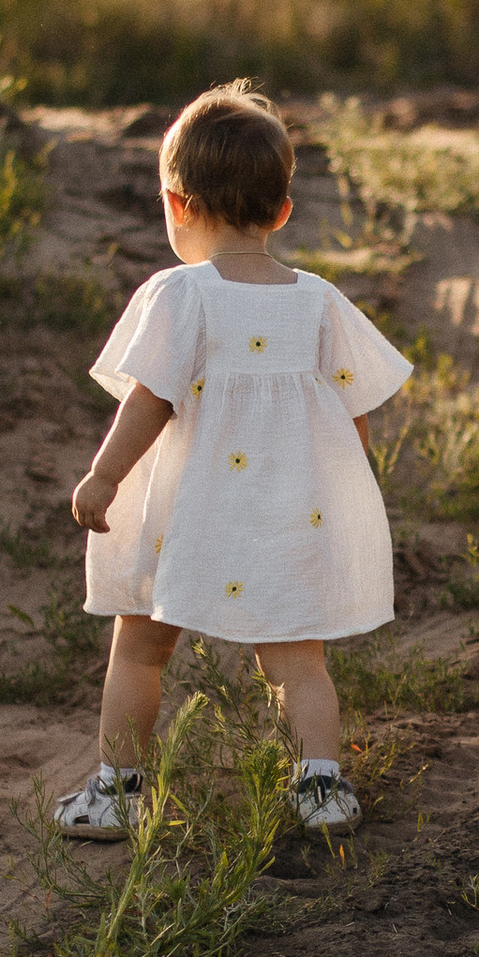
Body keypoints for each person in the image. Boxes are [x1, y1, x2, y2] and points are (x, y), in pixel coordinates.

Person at [57, 79, 412, 837]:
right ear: (282, 211)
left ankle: (119, 792)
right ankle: (320, 787)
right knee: (296, 659)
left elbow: (148, 399)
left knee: (140, 647)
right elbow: (356, 410)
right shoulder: (319, 299)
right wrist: (351, 497)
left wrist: (105, 474)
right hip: (286, 510)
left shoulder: (179, 294)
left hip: (189, 512)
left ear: (176, 205)